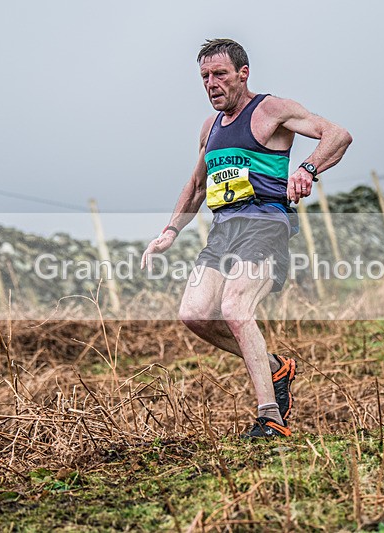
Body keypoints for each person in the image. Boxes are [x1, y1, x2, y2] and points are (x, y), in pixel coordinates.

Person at [140, 39, 352, 438]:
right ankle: (276, 369)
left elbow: (337, 135)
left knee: (236, 307)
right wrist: (170, 231)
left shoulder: (271, 110)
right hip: (224, 230)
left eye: (220, 74)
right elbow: (197, 186)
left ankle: (270, 417)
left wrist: (307, 169)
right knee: (195, 314)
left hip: (265, 223)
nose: (211, 83)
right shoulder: (210, 128)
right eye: (204, 76)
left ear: (243, 73)